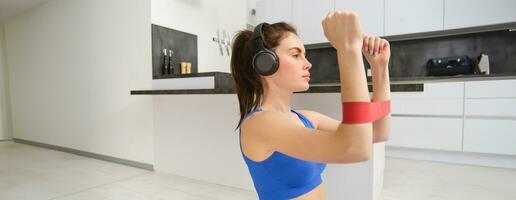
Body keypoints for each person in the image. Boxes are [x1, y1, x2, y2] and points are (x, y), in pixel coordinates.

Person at [230, 11, 391, 200]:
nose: (308, 64)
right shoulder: (259, 124)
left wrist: (380, 69)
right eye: (296, 55)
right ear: (266, 63)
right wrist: (348, 49)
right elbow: (355, 148)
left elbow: (378, 131)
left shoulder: (306, 118)